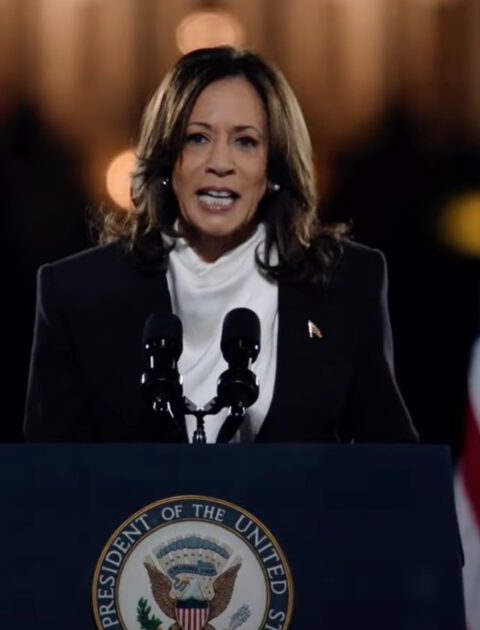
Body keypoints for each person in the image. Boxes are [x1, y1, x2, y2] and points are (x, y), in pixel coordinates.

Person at [24, 46, 418, 443]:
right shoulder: (75, 294)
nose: (220, 163)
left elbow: (392, 465)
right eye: (197, 138)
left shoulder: (348, 284)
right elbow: (48, 473)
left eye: (245, 141)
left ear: (274, 166)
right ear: (167, 158)